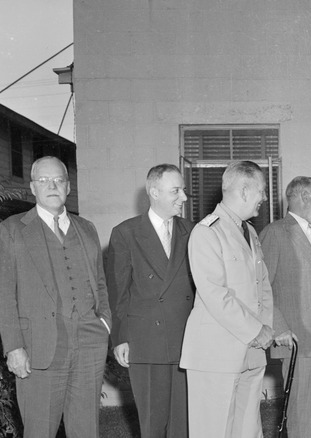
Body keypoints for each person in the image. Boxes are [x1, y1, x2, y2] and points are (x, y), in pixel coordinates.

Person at [0, 156, 111, 437]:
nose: (52, 186)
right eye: (44, 180)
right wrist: (14, 348)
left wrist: (104, 324)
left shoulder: (87, 229)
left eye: (58, 180)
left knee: (86, 431)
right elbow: (4, 294)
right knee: (39, 431)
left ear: (68, 187)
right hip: (39, 349)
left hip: (88, 347)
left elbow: (100, 283)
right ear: (32, 188)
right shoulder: (12, 229)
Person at [179, 161, 275, 438]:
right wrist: (257, 330)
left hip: (251, 351)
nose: (264, 198)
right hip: (216, 355)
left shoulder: (250, 232)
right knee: (214, 431)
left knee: (248, 431)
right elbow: (215, 294)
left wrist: (265, 330)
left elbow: (262, 286)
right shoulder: (207, 232)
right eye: (261, 191)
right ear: (244, 191)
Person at [106, 164, 195, 438]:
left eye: (183, 190)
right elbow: (117, 292)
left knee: (184, 424)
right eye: (176, 191)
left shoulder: (193, 231)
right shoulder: (125, 233)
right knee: (153, 425)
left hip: (186, 341)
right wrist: (120, 338)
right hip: (147, 342)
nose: (184, 197)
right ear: (154, 192)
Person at [259, 176, 311, 438]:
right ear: (305, 197)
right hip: (299, 342)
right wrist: (279, 327)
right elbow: (262, 287)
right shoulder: (275, 232)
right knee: (303, 419)